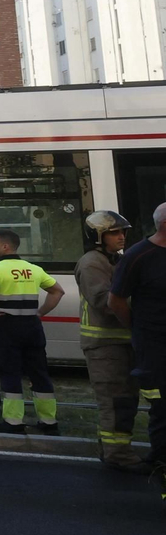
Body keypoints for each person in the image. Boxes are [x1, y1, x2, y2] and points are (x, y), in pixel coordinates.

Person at [76, 211, 148, 472]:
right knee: (115, 401)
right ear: (98, 237)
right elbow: (104, 301)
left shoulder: (115, 260)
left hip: (122, 344)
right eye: (115, 233)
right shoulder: (91, 263)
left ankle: (113, 450)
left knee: (127, 400)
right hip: (104, 346)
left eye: (123, 232)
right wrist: (148, 303)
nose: (122, 237)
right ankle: (118, 455)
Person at [0, 230, 64, 435]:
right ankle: (49, 422)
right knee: (40, 373)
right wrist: (40, 312)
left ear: (5, 247)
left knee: (9, 372)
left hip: (8, 326)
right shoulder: (33, 269)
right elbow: (57, 291)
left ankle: (13, 422)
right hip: (32, 326)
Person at [109, 200, 166, 493]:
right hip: (155, 345)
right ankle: (159, 460)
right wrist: (139, 329)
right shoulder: (137, 256)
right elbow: (115, 300)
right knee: (162, 404)